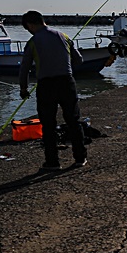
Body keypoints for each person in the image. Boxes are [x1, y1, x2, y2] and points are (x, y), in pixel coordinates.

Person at [19, 10, 87, 170]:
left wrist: (23, 88)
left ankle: (52, 162)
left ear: (30, 25)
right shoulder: (64, 36)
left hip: (46, 85)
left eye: (28, 28)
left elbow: (24, 68)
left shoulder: (33, 42)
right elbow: (79, 60)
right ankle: (80, 158)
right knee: (73, 121)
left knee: (48, 125)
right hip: (67, 82)